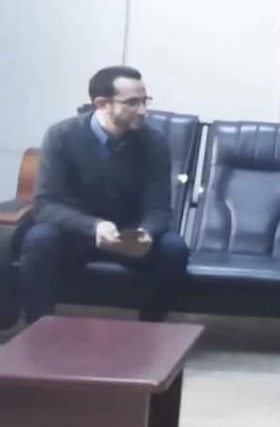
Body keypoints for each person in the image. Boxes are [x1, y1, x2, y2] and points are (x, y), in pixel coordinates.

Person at [19, 65, 189, 324]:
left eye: (145, 101)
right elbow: (46, 204)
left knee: (173, 249)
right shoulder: (61, 136)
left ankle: (151, 327)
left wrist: (147, 232)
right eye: (132, 103)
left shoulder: (153, 142)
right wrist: (94, 226)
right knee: (40, 240)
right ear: (102, 103)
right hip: (78, 233)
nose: (143, 111)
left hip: (130, 236)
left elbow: (159, 208)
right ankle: (38, 326)